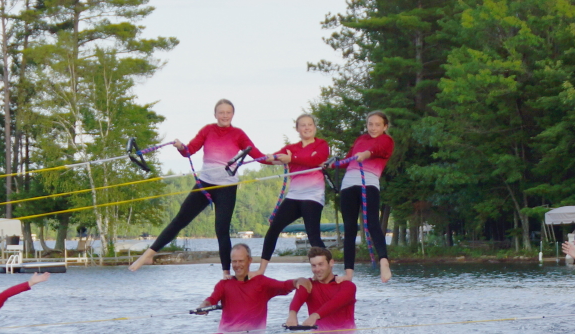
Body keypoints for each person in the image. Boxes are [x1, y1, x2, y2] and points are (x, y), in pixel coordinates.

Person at [129, 99, 270, 276]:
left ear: (232, 114)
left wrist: (277, 158)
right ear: (215, 114)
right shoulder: (207, 130)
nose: (225, 115)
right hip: (205, 184)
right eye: (221, 112)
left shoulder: (238, 134)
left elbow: (258, 156)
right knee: (180, 220)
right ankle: (147, 255)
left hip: (227, 187)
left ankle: (226, 272)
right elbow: (190, 150)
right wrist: (181, 147)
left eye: (228, 112)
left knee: (222, 229)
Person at [256, 114, 330, 276]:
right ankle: (261, 270)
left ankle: (327, 269)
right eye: (303, 125)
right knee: (274, 227)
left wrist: (292, 158)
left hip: (313, 195)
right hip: (294, 196)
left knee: (313, 235)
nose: (307, 127)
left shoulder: (321, 145)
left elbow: (317, 159)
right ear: (297, 129)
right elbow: (270, 159)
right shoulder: (291, 148)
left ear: (314, 127)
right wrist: (266, 157)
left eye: (310, 124)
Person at [338, 111, 394, 283]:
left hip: (368, 183)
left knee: (371, 223)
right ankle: (348, 273)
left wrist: (366, 154)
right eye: (370, 124)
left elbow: (378, 150)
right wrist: (331, 163)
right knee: (349, 228)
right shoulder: (360, 139)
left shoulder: (386, 140)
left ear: (385, 126)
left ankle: (384, 262)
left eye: (377, 124)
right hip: (348, 184)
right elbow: (349, 158)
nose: (373, 128)